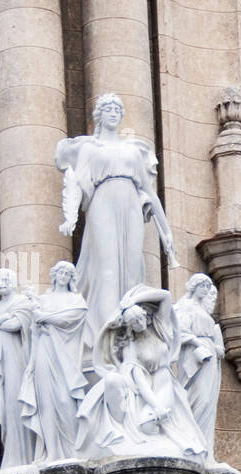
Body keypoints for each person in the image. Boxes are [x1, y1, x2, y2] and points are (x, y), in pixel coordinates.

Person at [56, 93, 178, 361]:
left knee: (132, 268)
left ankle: (130, 335)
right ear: (99, 114)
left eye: (117, 109)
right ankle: (106, 337)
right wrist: (71, 218)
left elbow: (150, 192)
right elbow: (76, 184)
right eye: (108, 109)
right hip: (102, 203)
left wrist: (165, 231)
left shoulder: (133, 151)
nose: (114, 113)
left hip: (131, 205)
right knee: (107, 268)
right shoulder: (90, 149)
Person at [75, 284, 207, 463]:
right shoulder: (131, 346)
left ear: (146, 316)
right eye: (133, 322)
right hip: (144, 389)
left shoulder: (161, 328)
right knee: (146, 424)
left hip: (164, 380)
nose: (138, 324)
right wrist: (155, 405)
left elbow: (165, 296)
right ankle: (128, 436)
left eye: (139, 318)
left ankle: (163, 440)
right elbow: (139, 379)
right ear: (128, 326)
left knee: (151, 424)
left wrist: (132, 302)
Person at [20, 261, 89, 464]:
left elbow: (74, 318)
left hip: (66, 356)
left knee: (65, 399)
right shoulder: (42, 299)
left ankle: (71, 449)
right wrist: (38, 315)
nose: (63, 275)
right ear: (54, 274)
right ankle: (51, 451)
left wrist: (45, 317)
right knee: (46, 401)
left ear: (72, 278)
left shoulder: (76, 300)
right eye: (60, 271)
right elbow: (34, 326)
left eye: (67, 273)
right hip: (44, 349)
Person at [0, 268, 37, 470]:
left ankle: (25, 456)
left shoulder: (22, 302)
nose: (2, 283)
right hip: (3, 364)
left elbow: (16, 325)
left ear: (14, 282)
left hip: (17, 360)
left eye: (6, 279)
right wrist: (0, 320)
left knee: (17, 403)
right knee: (6, 408)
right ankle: (11, 456)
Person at [174, 274, 225, 458]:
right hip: (194, 354)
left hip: (209, 355)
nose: (205, 289)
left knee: (208, 400)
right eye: (202, 285)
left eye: (207, 286)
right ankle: (190, 442)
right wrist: (197, 343)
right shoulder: (185, 306)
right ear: (194, 286)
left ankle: (204, 447)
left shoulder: (204, 311)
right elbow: (178, 331)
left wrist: (216, 348)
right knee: (198, 398)